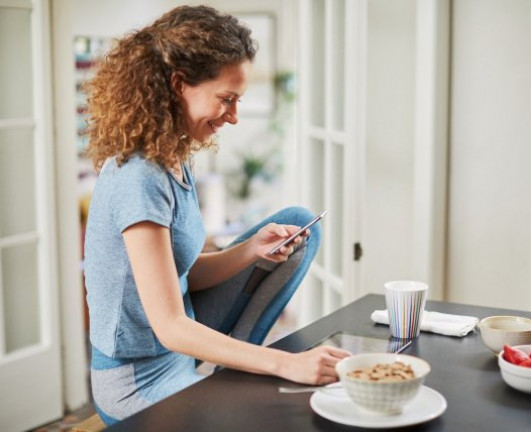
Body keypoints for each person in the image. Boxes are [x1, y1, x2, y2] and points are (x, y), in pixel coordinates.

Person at [82, 5, 349, 425]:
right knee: (275, 412)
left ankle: (235, 374)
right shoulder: (138, 177)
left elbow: (182, 274)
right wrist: (284, 364)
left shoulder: (173, 158)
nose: (234, 115)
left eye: (238, 101)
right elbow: (170, 325)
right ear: (178, 85)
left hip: (176, 351)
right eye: (226, 99)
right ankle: (248, 371)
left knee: (299, 223)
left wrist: (249, 250)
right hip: (138, 382)